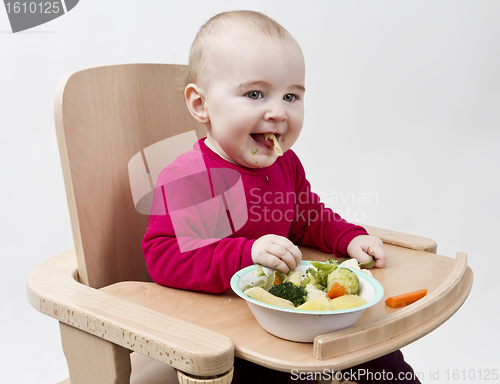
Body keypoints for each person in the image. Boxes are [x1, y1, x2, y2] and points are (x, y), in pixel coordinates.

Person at [142, 10, 420, 384]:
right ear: (201, 105)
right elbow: (165, 256)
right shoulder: (192, 176)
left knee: (380, 353)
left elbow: (308, 218)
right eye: (255, 94)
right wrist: (246, 253)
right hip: (229, 336)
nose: (277, 112)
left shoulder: (284, 164)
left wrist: (348, 236)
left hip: (291, 316)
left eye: (291, 96)